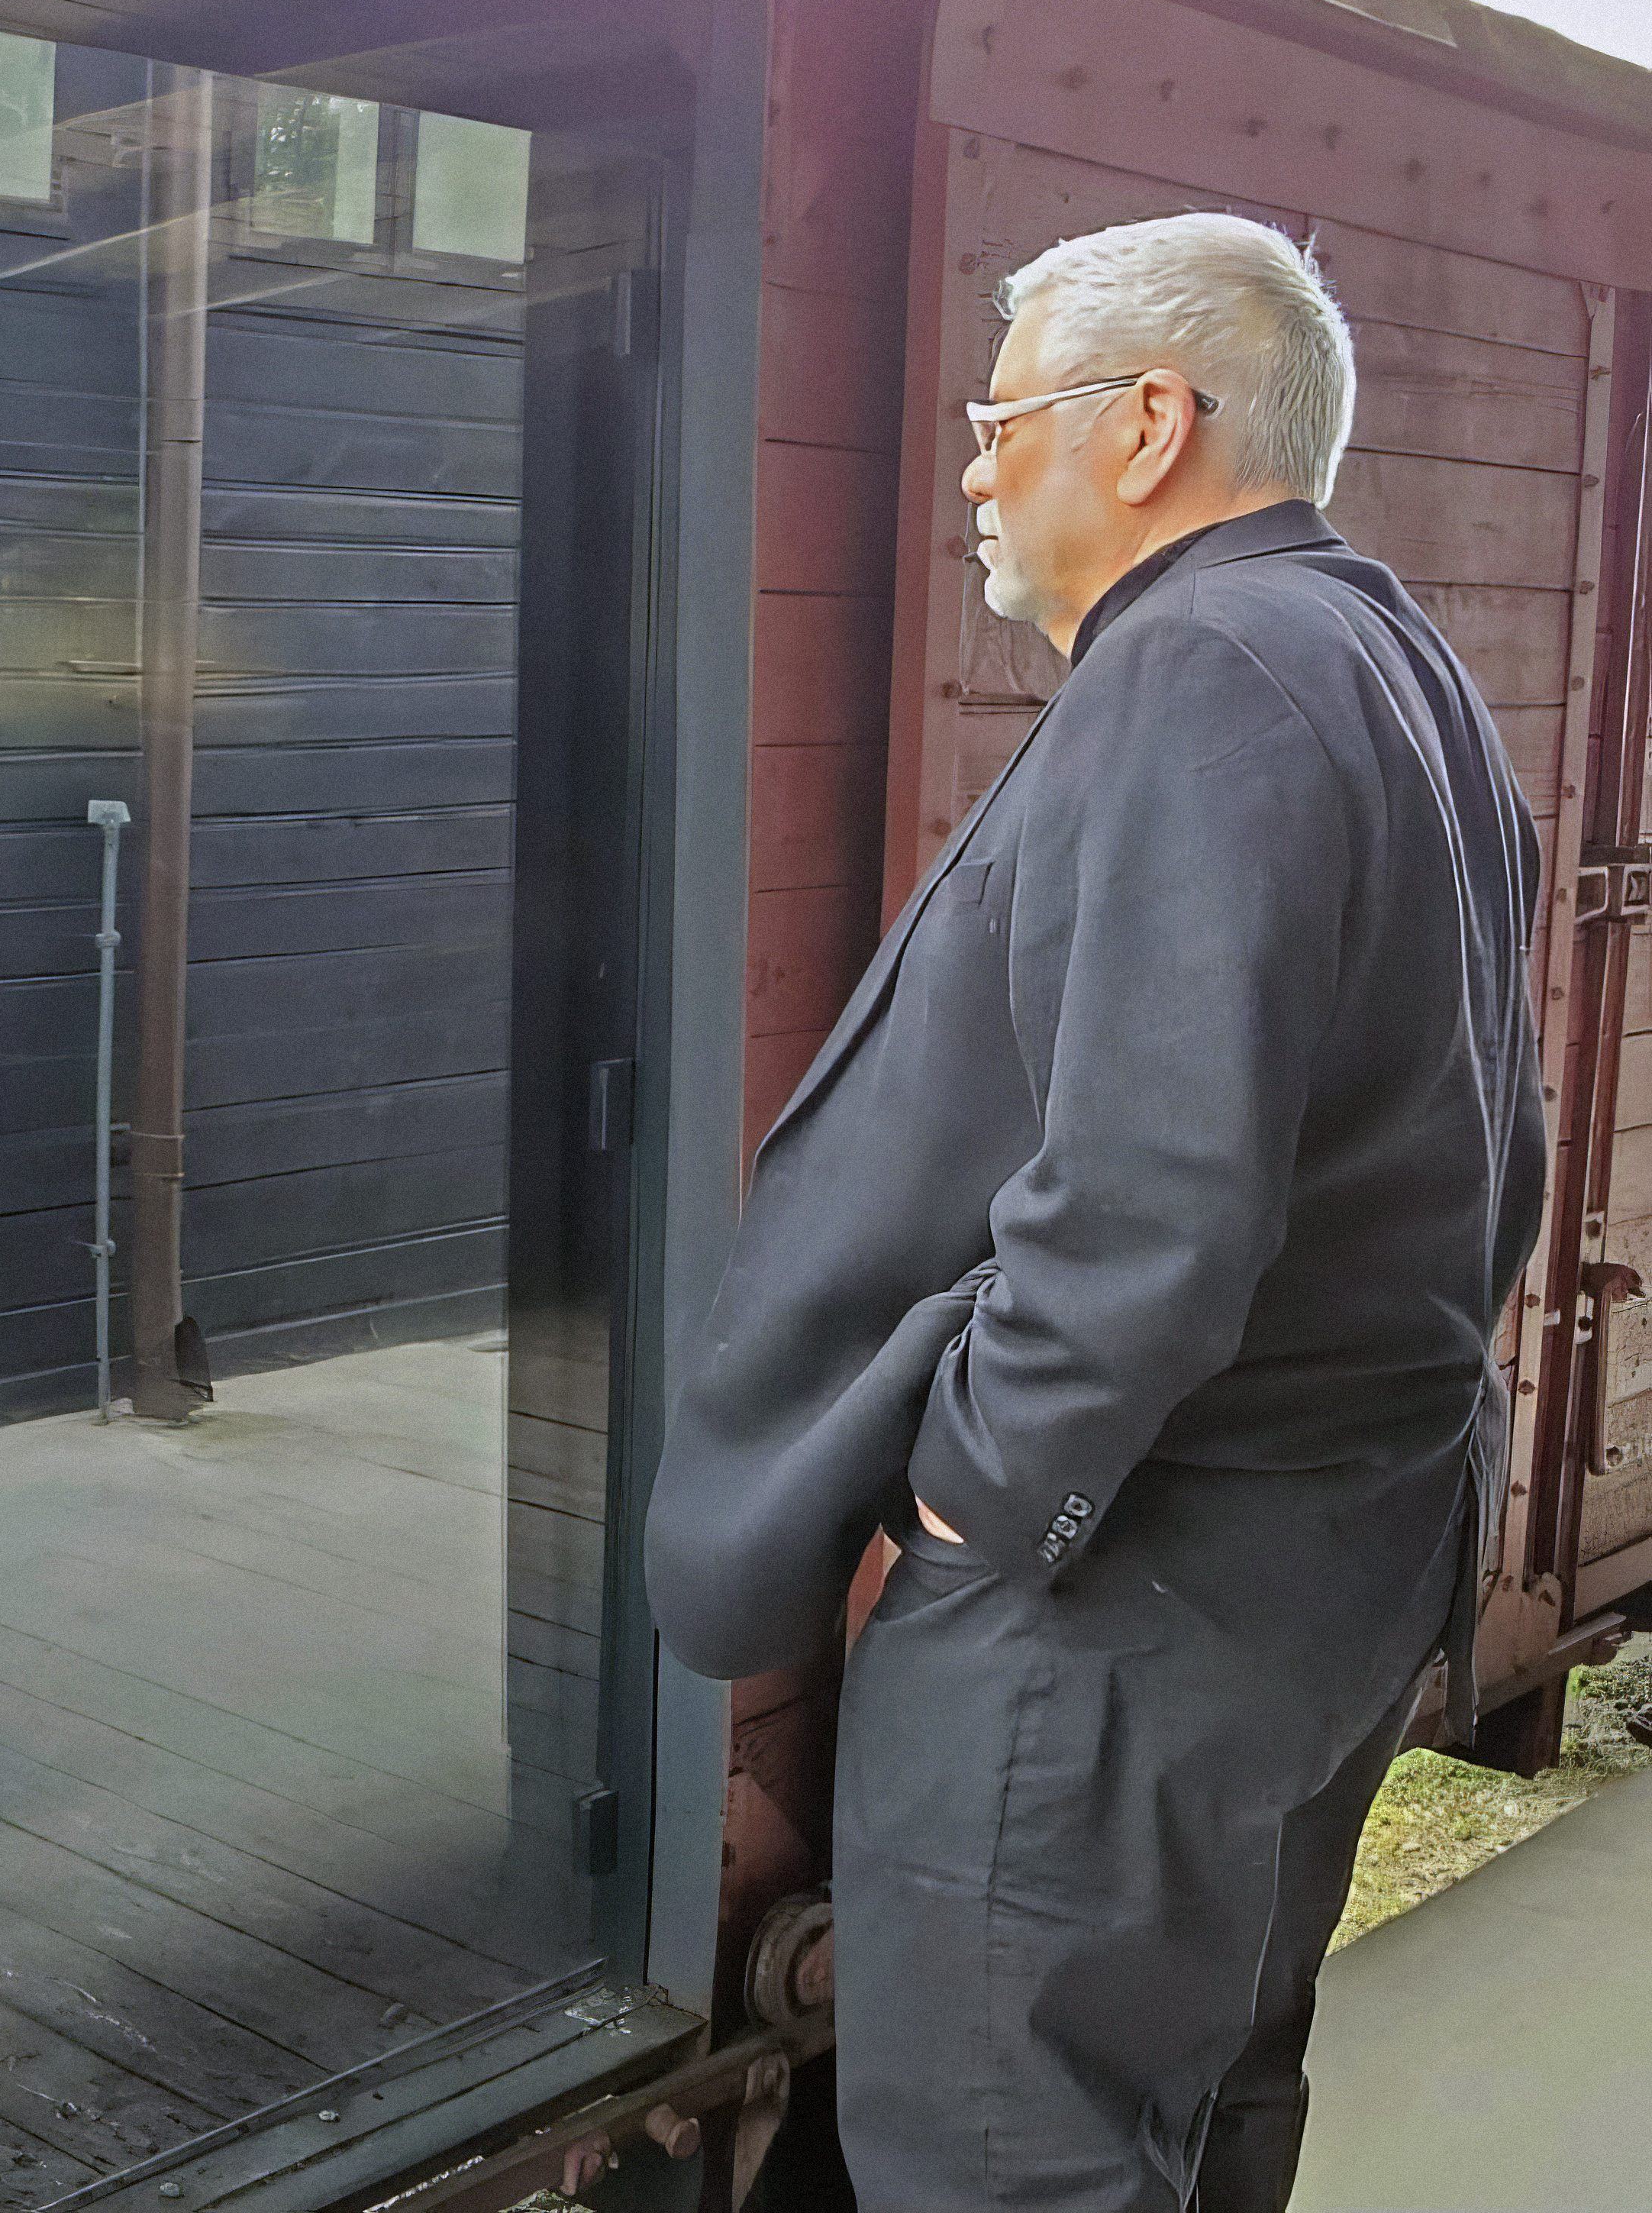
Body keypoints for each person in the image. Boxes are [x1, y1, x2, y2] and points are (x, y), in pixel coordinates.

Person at [644, 215, 1544, 2210]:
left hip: (1126, 1598)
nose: (974, 469)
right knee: (1197, 2111)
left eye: (1002, 416)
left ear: (1148, 424)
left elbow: (1150, 1194)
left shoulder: (1204, 670)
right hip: (1321, 1559)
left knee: (1005, 2154)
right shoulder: (1399, 666)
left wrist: (986, 1496)